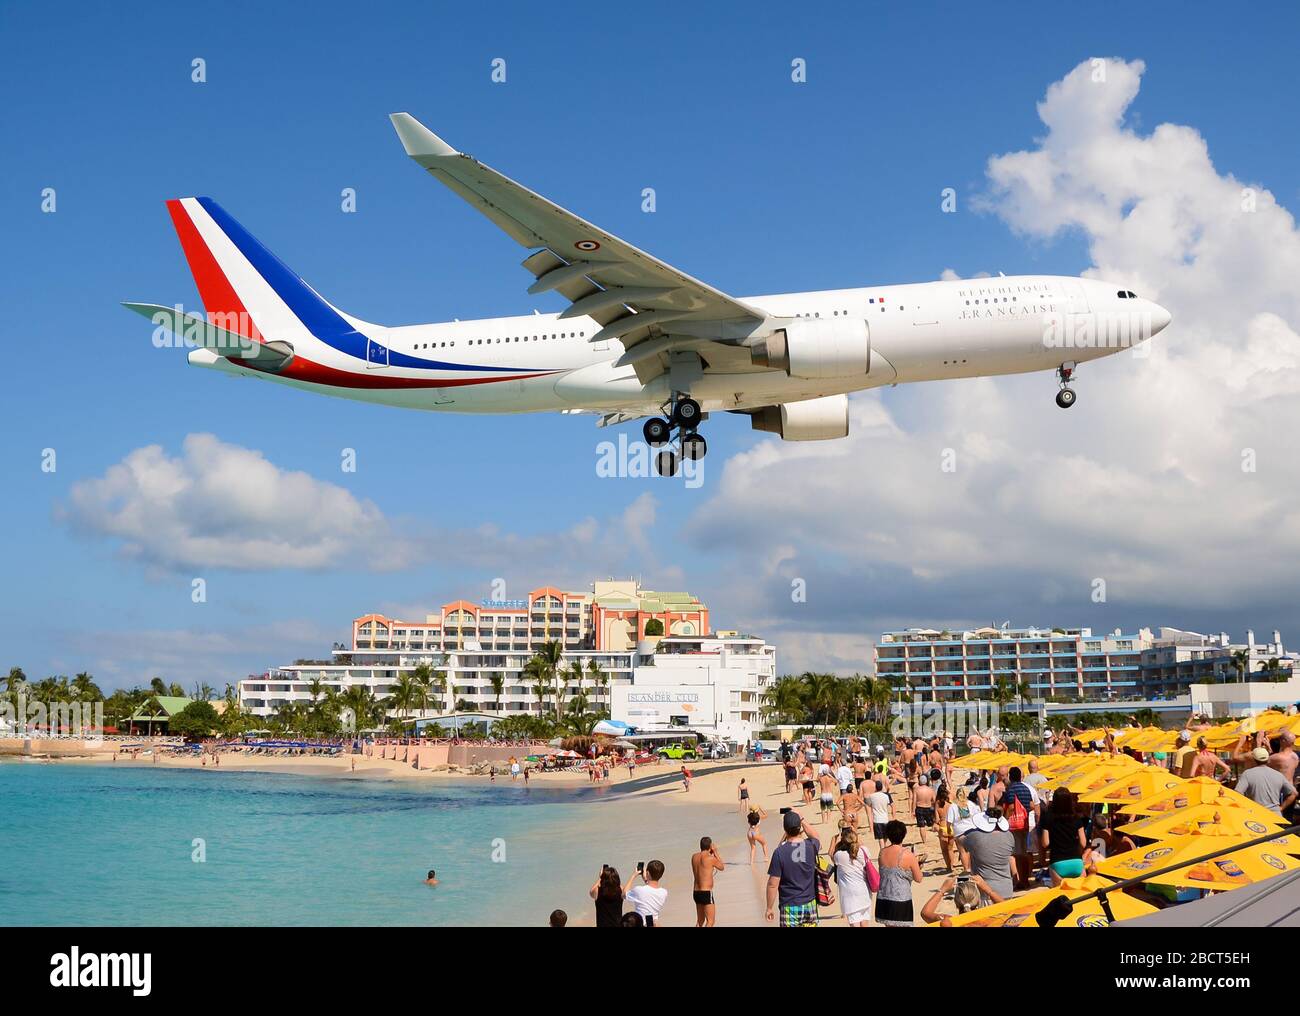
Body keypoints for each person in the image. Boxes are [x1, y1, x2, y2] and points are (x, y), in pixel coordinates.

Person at [765, 810, 821, 927]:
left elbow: (772, 884)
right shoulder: (811, 846)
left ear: (785, 829)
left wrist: (769, 907)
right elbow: (816, 836)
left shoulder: (779, 852)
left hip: (790, 906)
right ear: (800, 828)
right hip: (810, 904)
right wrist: (802, 819)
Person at [962, 806, 1016, 899]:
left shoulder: (974, 836)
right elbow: (1010, 855)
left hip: (985, 890)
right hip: (1007, 888)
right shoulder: (1009, 835)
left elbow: (962, 842)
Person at [875, 820, 922, 926]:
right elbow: (918, 878)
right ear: (904, 834)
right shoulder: (908, 854)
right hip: (901, 900)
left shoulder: (882, 852)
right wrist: (917, 864)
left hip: (884, 897)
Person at [1041, 787, 1089, 886]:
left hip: (1058, 862)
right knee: (1080, 896)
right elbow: (1083, 843)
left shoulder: (1048, 818)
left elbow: (1045, 843)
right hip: (1076, 862)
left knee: (1061, 898)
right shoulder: (1076, 818)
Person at [1002, 765, 1040, 890]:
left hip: (1015, 825)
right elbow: (1032, 806)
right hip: (1025, 822)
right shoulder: (1025, 788)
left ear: (1010, 777)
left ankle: (1022, 880)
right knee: (1024, 852)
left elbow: (1012, 807)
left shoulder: (1011, 789)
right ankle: (1025, 878)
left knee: (1018, 854)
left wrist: (1005, 818)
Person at [919, 873, 1004, 926]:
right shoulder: (988, 918)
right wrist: (988, 890)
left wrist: (942, 890)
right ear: (978, 900)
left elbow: (925, 913)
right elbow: (1006, 906)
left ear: (956, 902)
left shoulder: (948, 921)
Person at [1235, 746, 1299, 814]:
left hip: (1257, 816)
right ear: (1268, 760)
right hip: (1276, 815)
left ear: (1254, 759)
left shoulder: (1247, 774)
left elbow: (1237, 793)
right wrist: (1281, 808)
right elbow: (1294, 793)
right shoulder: (1278, 775)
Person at [831, 824, 873, 927]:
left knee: (854, 922)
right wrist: (855, 834)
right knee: (864, 921)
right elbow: (861, 845)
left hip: (849, 895)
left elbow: (831, 854)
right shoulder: (863, 851)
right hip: (864, 891)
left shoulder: (839, 855)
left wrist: (833, 840)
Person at [690, 837, 726, 927]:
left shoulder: (694, 857)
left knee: (700, 921)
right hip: (706, 892)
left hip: (696, 892)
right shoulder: (710, 858)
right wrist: (716, 852)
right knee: (710, 921)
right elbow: (722, 867)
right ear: (710, 846)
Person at [624, 860, 668, 927]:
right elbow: (651, 890)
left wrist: (633, 875)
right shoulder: (664, 892)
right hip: (654, 924)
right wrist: (646, 878)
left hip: (640, 924)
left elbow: (624, 894)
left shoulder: (639, 890)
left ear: (647, 873)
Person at [913, 774, 936, 844]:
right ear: (926, 782)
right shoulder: (930, 790)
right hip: (928, 808)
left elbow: (914, 801)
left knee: (922, 826)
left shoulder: (916, 790)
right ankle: (935, 836)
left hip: (919, 808)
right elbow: (934, 801)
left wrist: (913, 811)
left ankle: (924, 841)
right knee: (932, 823)